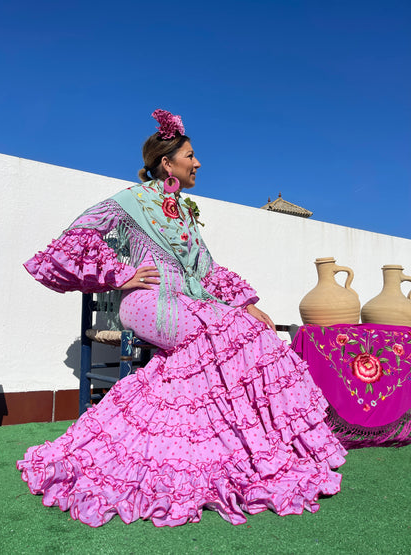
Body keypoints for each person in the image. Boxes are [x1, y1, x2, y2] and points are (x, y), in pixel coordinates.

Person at [17, 109, 347, 528]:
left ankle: (238, 450)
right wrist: (121, 274)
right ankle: (179, 453)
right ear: (166, 163)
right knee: (221, 334)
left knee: (249, 331)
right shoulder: (129, 201)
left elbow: (206, 268)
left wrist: (243, 302)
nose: (198, 163)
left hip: (190, 301)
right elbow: (73, 239)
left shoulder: (183, 211)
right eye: (190, 155)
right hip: (148, 302)